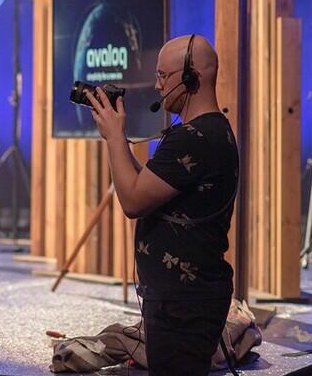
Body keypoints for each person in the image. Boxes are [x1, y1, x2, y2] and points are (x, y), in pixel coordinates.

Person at [85, 34, 238, 376]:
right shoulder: (210, 131)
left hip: (183, 303)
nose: (157, 86)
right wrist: (118, 139)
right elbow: (147, 185)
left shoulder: (192, 138)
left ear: (191, 77)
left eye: (163, 76)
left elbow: (133, 201)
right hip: (186, 299)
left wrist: (114, 137)